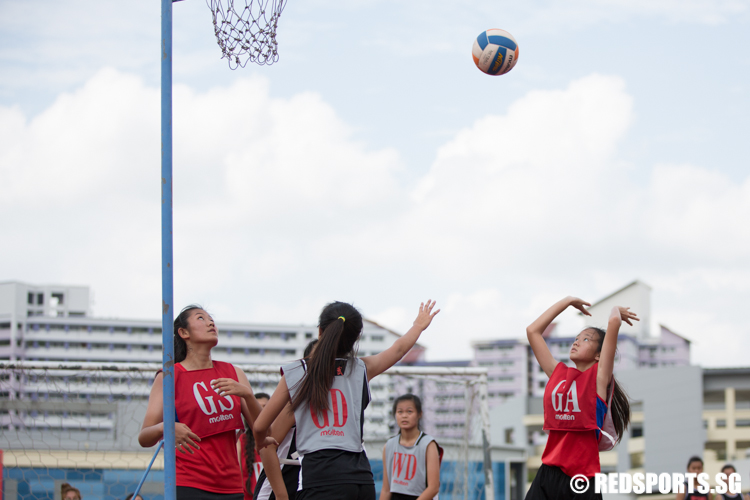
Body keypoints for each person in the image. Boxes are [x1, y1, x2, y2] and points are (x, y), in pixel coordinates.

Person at [252, 300, 440, 500]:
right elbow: (398, 350)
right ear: (356, 337)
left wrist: (261, 439)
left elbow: (259, 426)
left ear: (320, 332)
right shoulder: (360, 368)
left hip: (320, 478)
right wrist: (418, 326)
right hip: (360, 479)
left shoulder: (298, 372)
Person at [138, 305, 265, 500]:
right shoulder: (169, 377)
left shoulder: (234, 373)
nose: (210, 322)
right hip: (188, 483)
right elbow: (144, 437)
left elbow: (263, 429)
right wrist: (167, 427)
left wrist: (248, 395)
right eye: (201, 318)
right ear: (183, 332)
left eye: (211, 319)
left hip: (232, 486)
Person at [524, 296, 636, 500]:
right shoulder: (558, 374)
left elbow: (613, 322)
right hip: (548, 474)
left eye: (585, 339)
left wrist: (615, 310)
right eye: (576, 338)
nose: (576, 342)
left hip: (582, 480)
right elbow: (532, 331)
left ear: (599, 355)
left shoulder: (599, 378)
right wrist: (566, 302)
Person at [253, 340, 318, 500]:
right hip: (279, 486)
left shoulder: (340, 404)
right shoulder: (296, 402)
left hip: (309, 485)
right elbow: (266, 447)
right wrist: (281, 495)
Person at [380, 394, 441, 500]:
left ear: (419, 414)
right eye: (400, 412)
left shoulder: (428, 444)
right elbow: (386, 489)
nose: (404, 416)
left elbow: (433, 487)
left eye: (409, 411)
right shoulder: (389, 445)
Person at [240, 392, 271, 500]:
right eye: (257, 407)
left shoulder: (278, 439)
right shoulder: (241, 441)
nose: (261, 412)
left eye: (265, 407)